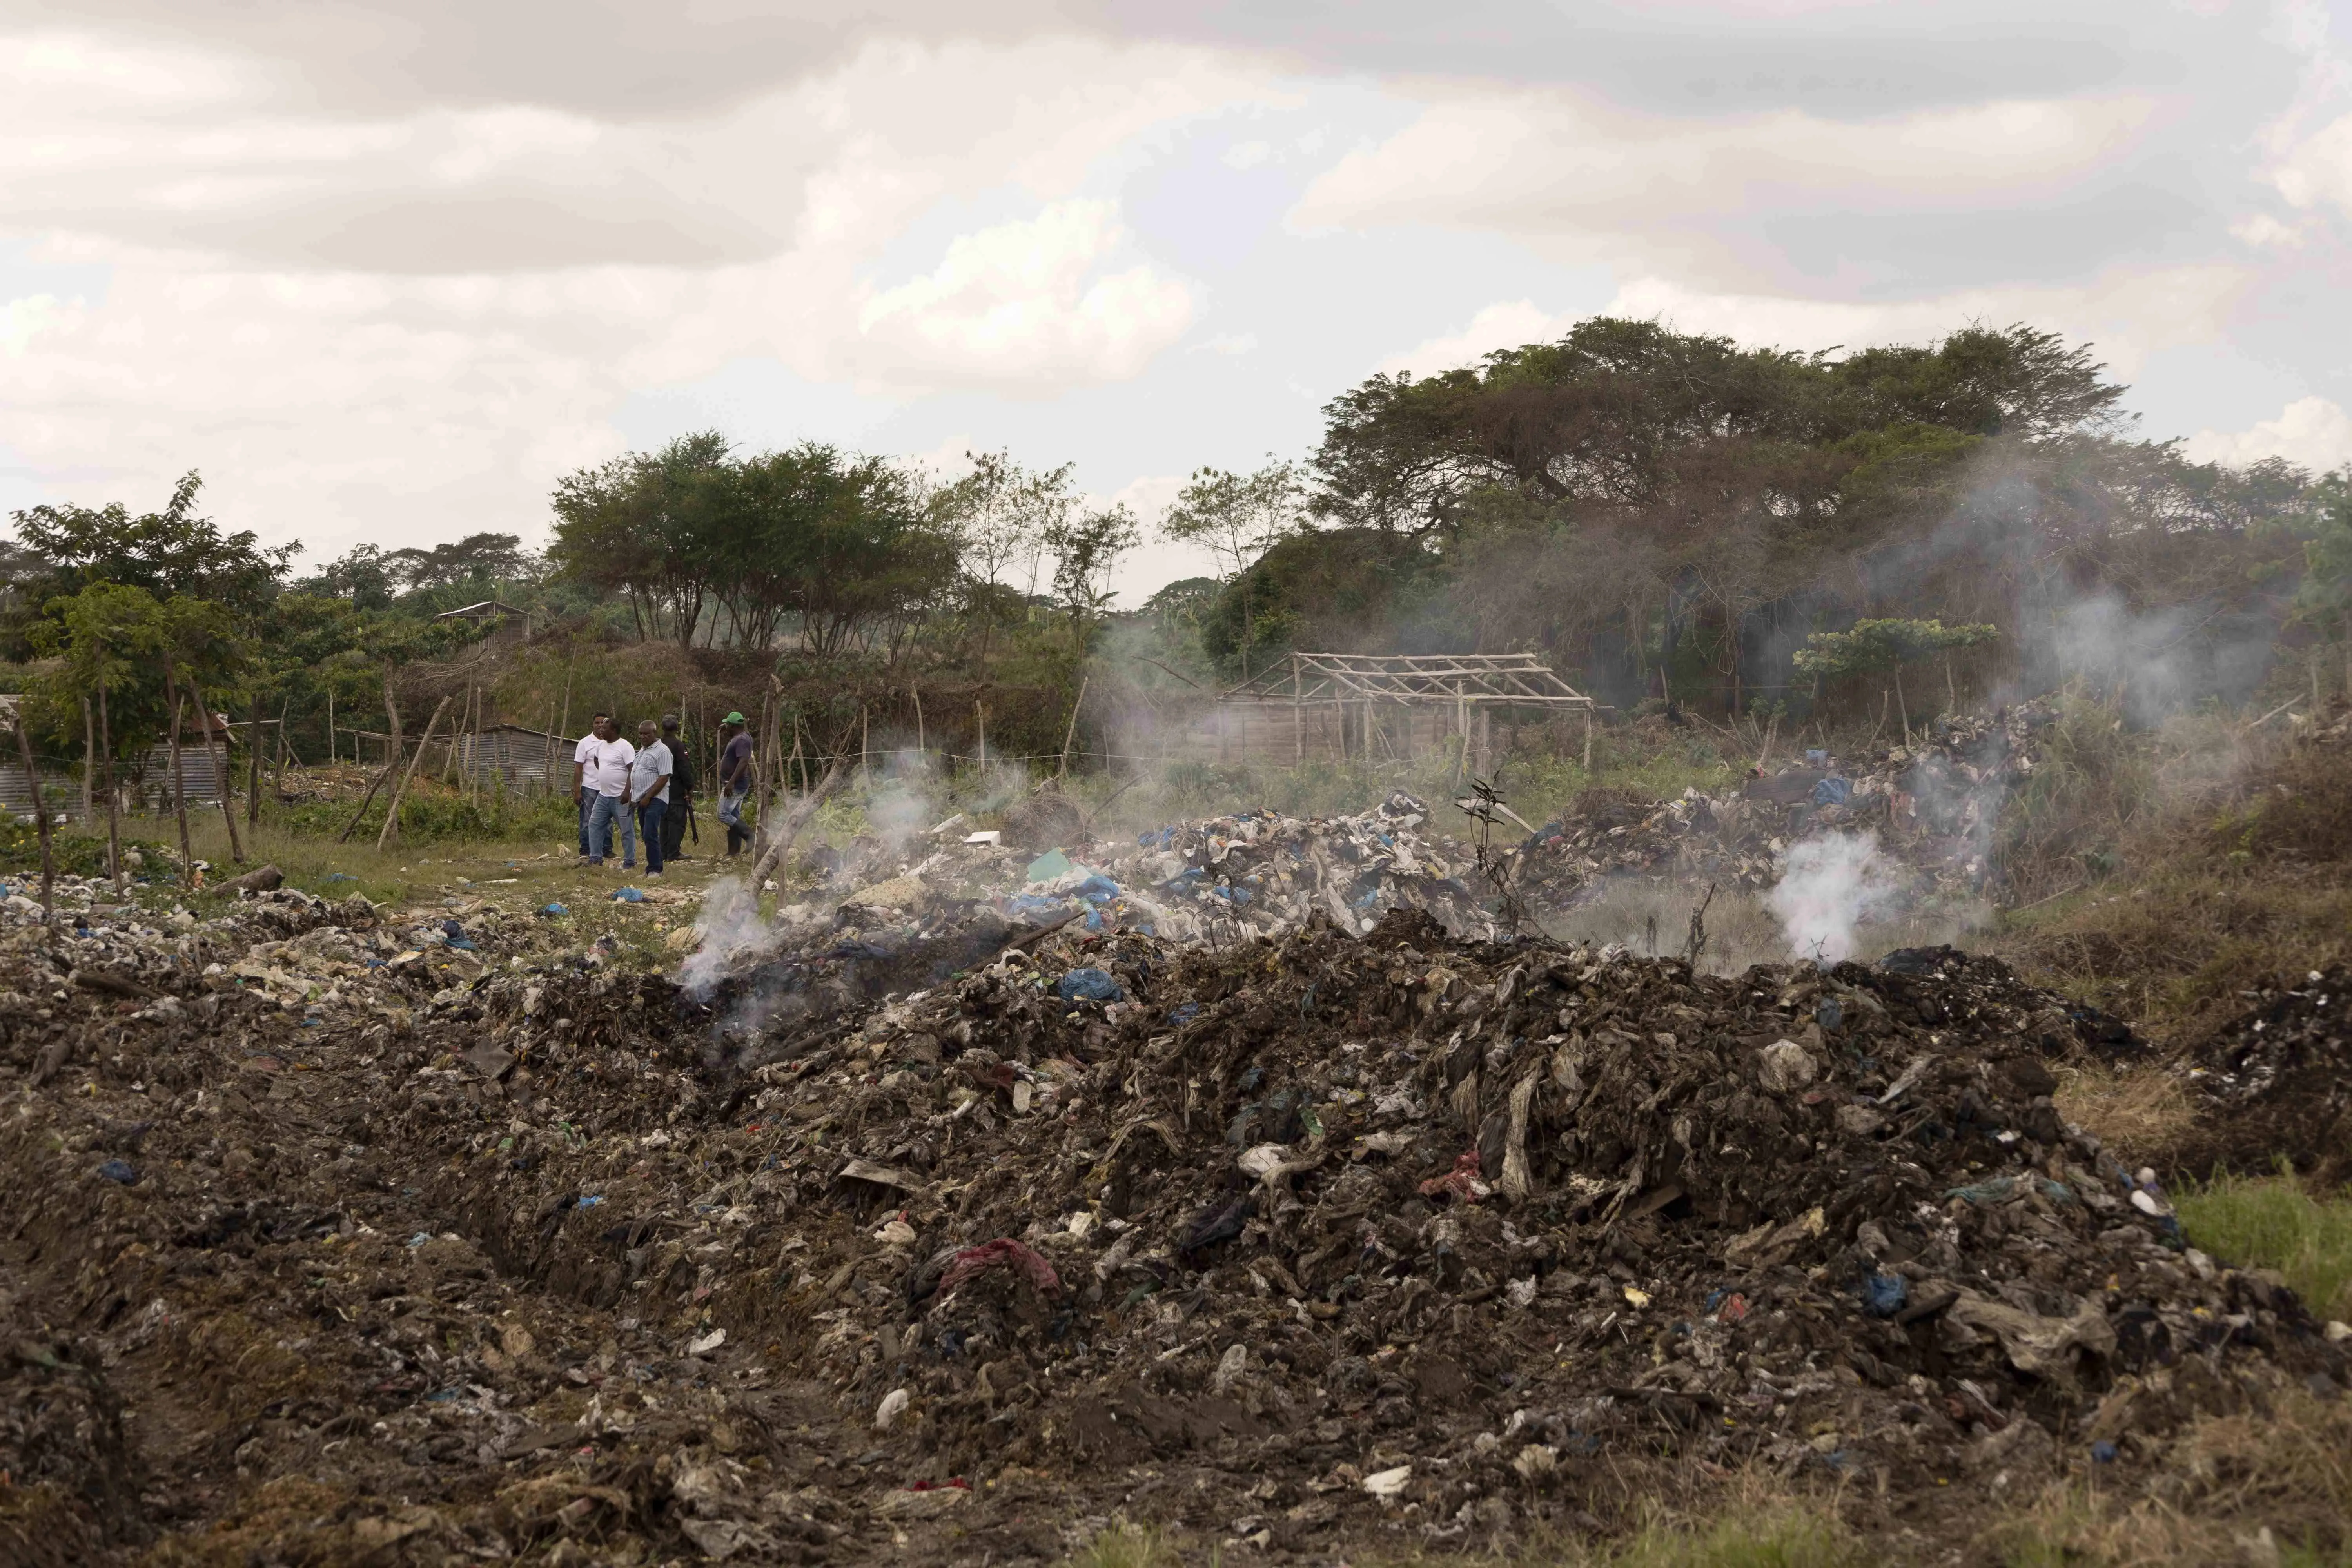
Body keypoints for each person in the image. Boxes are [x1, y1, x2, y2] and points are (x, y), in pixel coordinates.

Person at [579, 715, 635, 869]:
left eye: (605, 728)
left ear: (614, 730)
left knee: (626, 830)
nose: (601, 730)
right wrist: (606, 773)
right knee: (594, 825)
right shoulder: (601, 746)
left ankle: (630, 861)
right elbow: (597, 761)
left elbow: (633, 770)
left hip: (621, 797)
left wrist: (627, 791)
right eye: (600, 727)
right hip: (603, 796)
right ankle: (596, 859)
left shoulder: (625, 747)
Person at [631, 719, 673, 876]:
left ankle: (656, 869)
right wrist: (634, 798)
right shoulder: (642, 751)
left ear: (655, 733)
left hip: (656, 799)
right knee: (646, 834)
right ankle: (651, 868)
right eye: (641, 734)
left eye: (646, 734)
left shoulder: (663, 751)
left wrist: (648, 797)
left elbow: (664, 777)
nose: (643, 737)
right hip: (642, 800)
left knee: (650, 832)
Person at [572, 712, 613, 862]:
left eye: (603, 723)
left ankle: (607, 849)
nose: (600, 726)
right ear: (593, 724)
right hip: (589, 787)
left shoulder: (612, 743)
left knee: (608, 820)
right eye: (597, 723)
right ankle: (585, 849)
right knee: (587, 820)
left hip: (607, 788)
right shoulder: (585, 743)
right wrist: (577, 790)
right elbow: (578, 767)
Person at [659, 713, 695, 863]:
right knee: (677, 822)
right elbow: (684, 768)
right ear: (677, 728)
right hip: (676, 790)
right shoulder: (678, 746)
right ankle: (673, 853)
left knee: (664, 822)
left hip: (659, 790)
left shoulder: (658, 744)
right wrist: (690, 786)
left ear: (662, 728)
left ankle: (663, 853)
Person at [715, 711, 753, 856]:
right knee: (733, 817)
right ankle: (733, 852)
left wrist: (731, 782)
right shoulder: (742, 737)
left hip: (735, 784)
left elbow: (743, 762)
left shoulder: (741, 740)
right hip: (737, 783)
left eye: (727, 725)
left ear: (732, 726)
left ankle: (750, 836)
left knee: (723, 814)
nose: (726, 727)